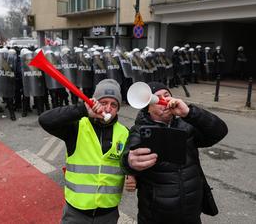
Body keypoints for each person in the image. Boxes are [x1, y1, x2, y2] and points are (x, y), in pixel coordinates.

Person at [121, 82, 228, 224]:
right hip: (156, 216)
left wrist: (190, 113)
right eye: (156, 98)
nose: (164, 101)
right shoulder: (140, 131)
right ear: (148, 107)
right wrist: (129, 164)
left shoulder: (187, 126)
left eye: (167, 96)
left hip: (191, 212)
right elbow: (128, 158)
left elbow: (219, 131)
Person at [38, 79, 129, 224]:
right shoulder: (77, 126)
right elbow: (45, 120)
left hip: (108, 214)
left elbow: (129, 164)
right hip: (76, 213)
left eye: (114, 104)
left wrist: (133, 175)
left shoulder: (125, 133)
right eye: (103, 102)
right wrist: (82, 110)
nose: (108, 108)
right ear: (95, 102)